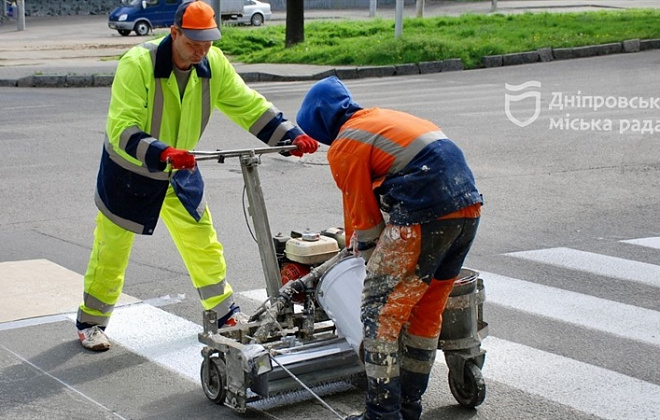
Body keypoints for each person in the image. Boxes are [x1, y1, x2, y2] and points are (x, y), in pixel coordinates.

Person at [76, 0, 318, 352]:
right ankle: (91, 323)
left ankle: (224, 315)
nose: (201, 52)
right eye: (193, 44)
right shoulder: (137, 65)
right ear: (174, 33)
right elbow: (121, 128)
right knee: (111, 250)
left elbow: (246, 104)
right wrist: (161, 151)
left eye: (207, 44)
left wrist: (289, 136)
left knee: (203, 242)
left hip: (181, 168)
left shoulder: (212, 64)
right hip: (131, 171)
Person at [297, 76, 482, 420]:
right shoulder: (381, 119)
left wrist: (369, 265)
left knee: (379, 312)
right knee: (426, 311)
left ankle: (382, 414)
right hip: (467, 211)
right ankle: (408, 408)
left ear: (320, 124)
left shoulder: (345, 144)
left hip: (424, 214)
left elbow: (366, 224)